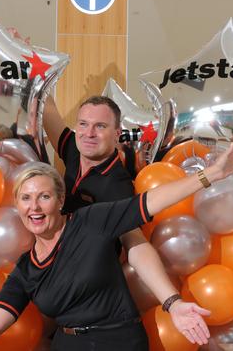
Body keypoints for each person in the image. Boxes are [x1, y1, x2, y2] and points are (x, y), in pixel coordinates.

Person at [0, 143, 233, 349]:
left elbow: (153, 201)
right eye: (25, 199)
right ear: (16, 207)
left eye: (43, 197)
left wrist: (211, 174)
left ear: (60, 199)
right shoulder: (26, 268)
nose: (34, 207)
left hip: (121, 343)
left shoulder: (92, 222)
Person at [41, 95, 192, 321]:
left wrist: (172, 301)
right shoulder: (75, 147)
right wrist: (35, 69)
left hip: (91, 293)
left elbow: (135, 243)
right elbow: (47, 109)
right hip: (55, 279)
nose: (89, 133)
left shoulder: (116, 186)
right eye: (83, 124)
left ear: (116, 133)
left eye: (100, 126)